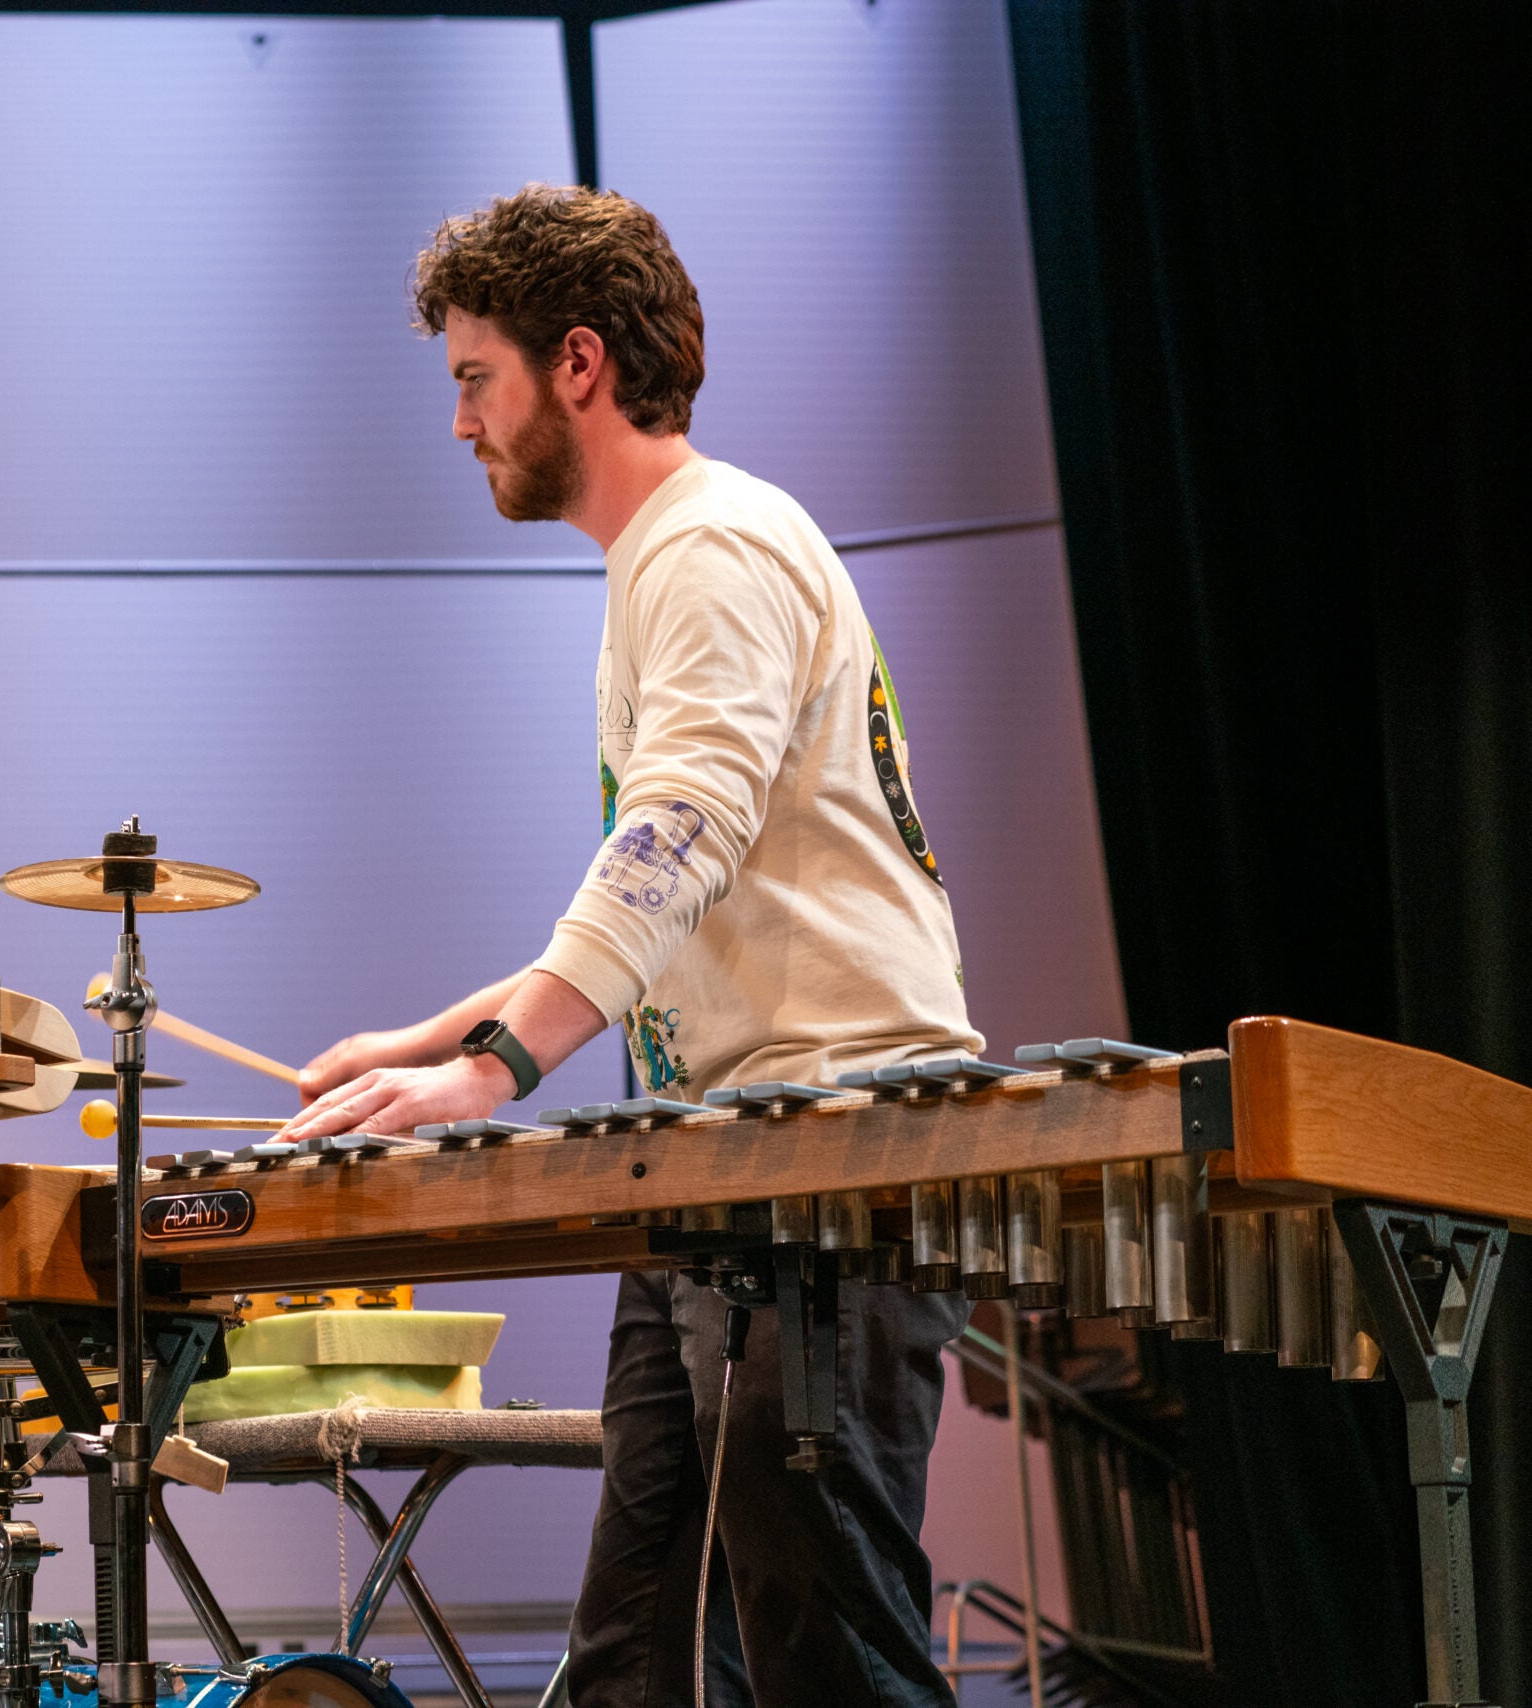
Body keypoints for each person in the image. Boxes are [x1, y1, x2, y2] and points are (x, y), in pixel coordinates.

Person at [281, 185, 982, 1708]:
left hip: (827, 1171)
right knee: (635, 1669)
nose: (460, 421)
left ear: (577, 364)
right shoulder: (664, 563)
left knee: (827, 1668)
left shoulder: (711, 548)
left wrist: (490, 1072)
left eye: (476, 378)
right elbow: (668, 890)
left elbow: (677, 839)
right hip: (725, 1167)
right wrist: (433, 1034)